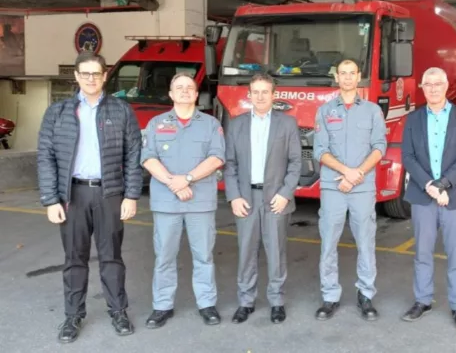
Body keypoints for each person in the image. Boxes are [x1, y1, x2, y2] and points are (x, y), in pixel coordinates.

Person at [37, 51, 143, 343]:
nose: (91, 78)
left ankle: (118, 311)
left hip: (109, 193)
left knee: (112, 257)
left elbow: (134, 155)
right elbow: (45, 157)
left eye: (96, 73)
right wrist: (50, 199)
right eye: (85, 73)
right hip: (72, 195)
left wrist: (131, 195)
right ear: (76, 76)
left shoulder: (121, 111)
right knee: (74, 259)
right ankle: (73, 316)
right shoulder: (57, 113)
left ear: (105, 75)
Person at [140, 73, 226, 329]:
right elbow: (148, 158)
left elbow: (217, 158)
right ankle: (162, 306)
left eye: (190, 87)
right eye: (179, 87)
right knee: (164, 256)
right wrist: (173, 183)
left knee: (204, 256)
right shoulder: (156, 123)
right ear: (171, 93)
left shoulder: (210, 124)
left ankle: (207, 304)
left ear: (196, 94)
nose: (185, 91)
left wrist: (187, 179)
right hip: (167, 202)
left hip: (200, 202)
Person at [400, 67, 456, 331]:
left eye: (438, 84)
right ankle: (422, 300)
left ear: (447, 86)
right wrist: (429, 185)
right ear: (422, 87)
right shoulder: (413, 119)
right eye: (428, 84)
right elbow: (408, 157)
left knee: (455, 254)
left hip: (453, 195)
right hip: (424, 197)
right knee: (422, 252)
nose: (433, 88)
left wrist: (444, 184)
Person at [312, 59, 387, 321]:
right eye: (342, 73)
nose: (346, 78)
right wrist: (346, 173)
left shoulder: (372, 111)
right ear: (337, 78)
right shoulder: (324, 110)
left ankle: (365, 295)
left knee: (365, 243)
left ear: (359, 77)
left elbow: (380, 147)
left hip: (362, 188)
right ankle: (329, 296)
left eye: (351, 73)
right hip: (333, 187)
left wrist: (356, 176)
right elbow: (320, 150)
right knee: (328, 244)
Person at [224, 73, 302, 324]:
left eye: (264, 92)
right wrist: (234, 196)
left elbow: (295, 163)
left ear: (273, 95)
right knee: (246, 251)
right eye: (255, 92)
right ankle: (246, 301)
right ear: (249, 94)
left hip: (275, 199)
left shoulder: (287, 124)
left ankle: (277, 301)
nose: (259, 96)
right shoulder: (236, 125)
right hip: (246, 198)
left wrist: (285, 194)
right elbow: (230, 165)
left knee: (276, 251)